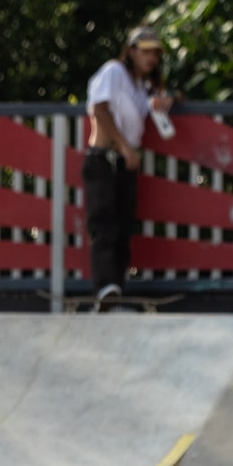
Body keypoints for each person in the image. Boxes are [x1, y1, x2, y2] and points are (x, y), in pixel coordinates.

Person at [83, 26, 173, 308]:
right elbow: (99, 109)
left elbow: (153, 105)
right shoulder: (114, 72)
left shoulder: (141, 87)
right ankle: (104, 287)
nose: (151, 58)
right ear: (131, 51)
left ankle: (116, 291)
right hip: (104, 157)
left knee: (123, 229)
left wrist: (166, 100)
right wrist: (123, 146)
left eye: (155, 53)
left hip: (125, 163)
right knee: (103, 225)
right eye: (145, 52)